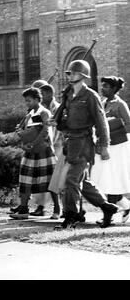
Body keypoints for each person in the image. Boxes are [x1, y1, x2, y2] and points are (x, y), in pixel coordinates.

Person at [55, 60, 118, 229]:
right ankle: (108, 207)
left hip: (84, 143)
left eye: (74, 73)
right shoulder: (68, 95)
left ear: (83, 76)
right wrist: (58, 122)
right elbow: (65, 121)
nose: (70, 76)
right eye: (68, 73)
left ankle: (70, 217)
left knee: (72, 181)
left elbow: (101, 121)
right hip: (71, 142)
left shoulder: (90, 96)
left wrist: (104, 145)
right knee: (83, 182)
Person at [10, 87, 57, 219]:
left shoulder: (44, 113)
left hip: (44, 151)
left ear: (37, 99)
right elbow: (20, 130)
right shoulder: (29, 114)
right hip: (30, 152)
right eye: (26, 101)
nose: (27, 103)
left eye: (29, 101)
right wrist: (23, 141)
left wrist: (33, 142)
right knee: (25, 180)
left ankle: (57, 210)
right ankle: (23, 209)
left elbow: (45, 131)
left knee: (50, 181)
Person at [91, 76, 130, 223]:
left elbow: (129, 124)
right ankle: (126, 206)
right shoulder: (103, 103)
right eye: (102, 86)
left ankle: (109, 217)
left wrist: (113, 130)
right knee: (103, 180)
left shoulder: (120, 104)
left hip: (118, 147)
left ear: (114, 89)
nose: (102, 88)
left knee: (112, 180)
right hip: (105, 146)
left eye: (106, 86)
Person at [27, 80, 62, 219]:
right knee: (40, 177)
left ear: (48, 93)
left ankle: (59, 208)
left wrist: (48, 145)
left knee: (54, 179)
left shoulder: (55, 108)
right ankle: (40, 206)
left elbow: (55, 129)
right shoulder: (36, 109)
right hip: (40, 146)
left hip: (54, 146)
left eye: (40, 93)